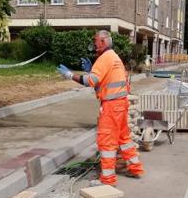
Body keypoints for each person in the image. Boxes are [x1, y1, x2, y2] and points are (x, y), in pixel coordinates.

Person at [56, 30, 144, 185]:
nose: (93, 44)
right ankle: (135, 168)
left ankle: (108, 179)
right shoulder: (114, 57)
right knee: (124, 139)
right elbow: (102, 83)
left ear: (103, 41)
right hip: (120, 104)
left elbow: (90, 81)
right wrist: (91, 70)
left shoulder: (104, 58)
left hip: (111, 107)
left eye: (95, 41)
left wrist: (70, 75)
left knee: (106, 142)